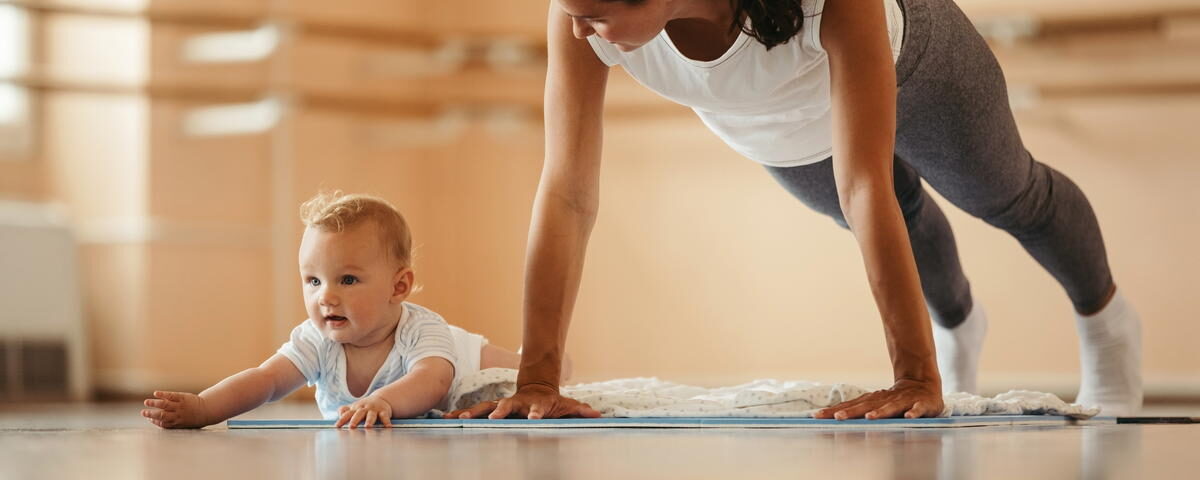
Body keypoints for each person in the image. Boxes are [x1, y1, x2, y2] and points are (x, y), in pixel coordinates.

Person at [446, 0, 1142, 420]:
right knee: (901, 215)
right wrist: (538, 375)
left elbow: (861, 178)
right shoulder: (581, 20)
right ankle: (958, 325)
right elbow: (567, 190)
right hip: (774, 123)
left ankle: (1108, 324)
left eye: (595, 12)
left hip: (914, 66)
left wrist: (912, 376)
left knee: (1004, 193)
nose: (582, 30)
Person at [140, 192, 567, 429]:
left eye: (347, 280)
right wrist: (203, 408)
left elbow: (433, 382)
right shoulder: (316, 339)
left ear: (398, 286)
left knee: (509, 375)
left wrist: (382, 400)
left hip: (458, 357)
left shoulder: (423, 329)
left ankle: (551, 361)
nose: (326, 296)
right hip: (421, 373)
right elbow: (266, 380)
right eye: (313, 281)